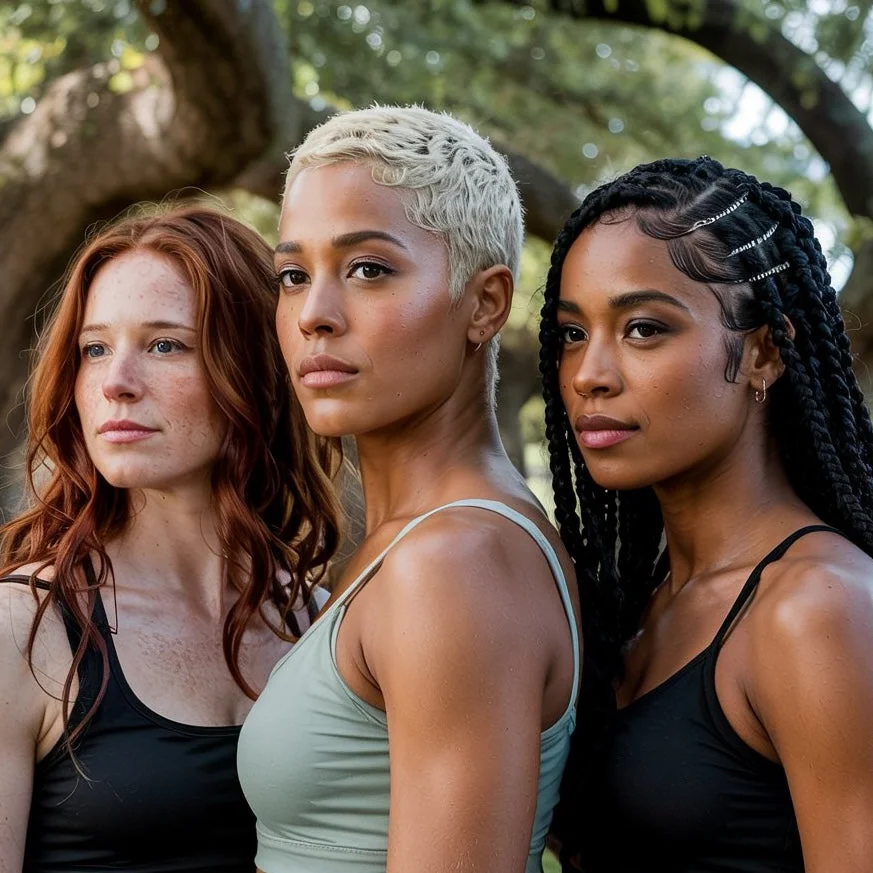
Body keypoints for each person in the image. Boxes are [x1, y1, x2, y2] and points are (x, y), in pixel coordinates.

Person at [237, 105, 581, 873]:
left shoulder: (457, 563)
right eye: (293, 276)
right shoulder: (413, 543)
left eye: (368, 269)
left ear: (485, 303)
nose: (314, 316)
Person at [539, 156, 873, 872]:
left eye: (643, 328)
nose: (589, 374)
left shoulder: (818, 609)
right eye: (572, 333)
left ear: (760, 352)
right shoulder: (632, 605)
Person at [0, 205, 340, 872]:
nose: (115, 383)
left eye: (165, 345)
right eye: (94, 349)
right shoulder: (23, 628)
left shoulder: (320, 622)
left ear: (254, 370)